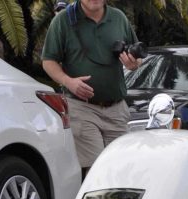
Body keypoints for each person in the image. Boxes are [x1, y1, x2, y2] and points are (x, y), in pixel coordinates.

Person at [42, 0, 142, 179]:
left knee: (121, 169)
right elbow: (48, 61)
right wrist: (68, 81)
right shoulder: (63, 20)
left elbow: (136, 57)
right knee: (98, 169)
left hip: (116, 109)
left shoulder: (118, 18)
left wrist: (133, 64)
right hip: (82, 109)